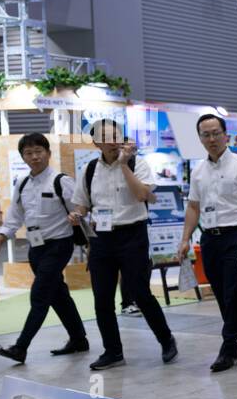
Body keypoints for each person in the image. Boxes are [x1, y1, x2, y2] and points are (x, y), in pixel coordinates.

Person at [69, 118, 177, 370]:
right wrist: (76, 214)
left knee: (140, 293)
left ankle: (166, 339)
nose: (113, 141)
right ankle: (113, 351)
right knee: (102, 298)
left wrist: (123, 165)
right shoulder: (89, 170)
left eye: (116, 135)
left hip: (133, 235)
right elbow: (82, 204)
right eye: (106, 137)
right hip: (101, 239)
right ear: (96, 142)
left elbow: (142, 195)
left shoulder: (137, 163)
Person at [0, 133, 89, 363]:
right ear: (23, 157)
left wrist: (78, 214)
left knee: (40, 294)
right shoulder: (22, 183)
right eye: (29, 153)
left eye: (38, 152)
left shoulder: (61, 180)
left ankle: (20, 347)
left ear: (48, 153)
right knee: (58, 294)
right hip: (35, 248)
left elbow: (81, 208)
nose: (34, 157)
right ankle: (79, 339)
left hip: (59, 244)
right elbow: (14, 217)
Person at [176, 113, 237, 372]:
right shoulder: (199, 171)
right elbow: (193, 207)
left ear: (226, 135)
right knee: (221, 292)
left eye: (216, 133)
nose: (211, 138)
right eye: (206, 134)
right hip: (211, 239)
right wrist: (185, 239)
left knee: (235, 290)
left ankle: (228, 349)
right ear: (200, 138)